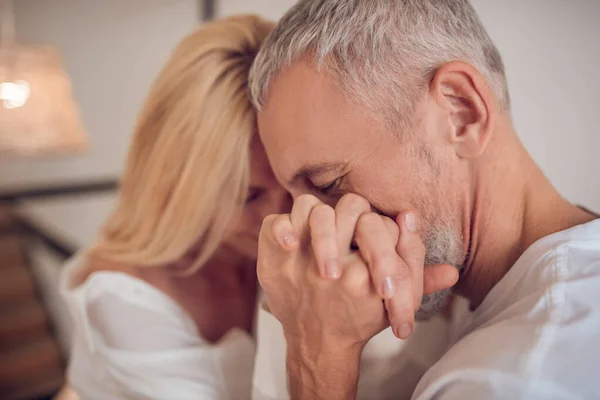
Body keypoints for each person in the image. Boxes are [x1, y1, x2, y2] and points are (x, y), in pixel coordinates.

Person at [248, 0, 600, 399]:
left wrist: (317, 355)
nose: (312, 233)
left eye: (328, 184)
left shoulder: (511, 380)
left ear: (461, 113)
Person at [59, 15, 290, 399]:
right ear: (180, 182)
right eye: (249, 196)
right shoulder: (123, 301)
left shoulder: (261, 250)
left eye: (298, 183)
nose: (283, 219)